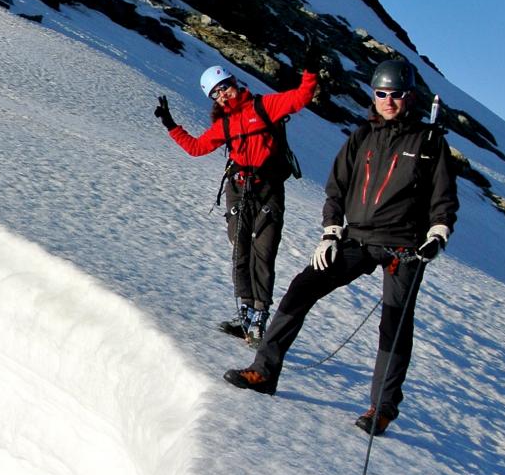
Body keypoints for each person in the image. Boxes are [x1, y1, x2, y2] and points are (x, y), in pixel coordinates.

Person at [223, 56, 458, 433]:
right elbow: (336, 188)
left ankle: (380, 410)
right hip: (357, 239)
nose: (388, 101)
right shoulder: (362, 136)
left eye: (395, 94)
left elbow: (443, 201)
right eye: (381, 93)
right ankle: (264, 372)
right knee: (302, 287)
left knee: (394, 323)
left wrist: (437, 236)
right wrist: (331, 231)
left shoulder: (429, 142)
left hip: (405, 249)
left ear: (409, 96)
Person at [155, 58, 318, 344]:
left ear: (234, 83)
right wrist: (170, 124)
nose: (223, 95)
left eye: (225, 88)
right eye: (215, 93)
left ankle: (259, 316)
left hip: (268, 189)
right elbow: (196, 148)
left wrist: (310, 70)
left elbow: (302, 96)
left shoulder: (264, 107)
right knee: (240, 248)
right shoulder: (225, 125)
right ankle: (245, 315)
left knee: (263, 251)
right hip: (239, 188)